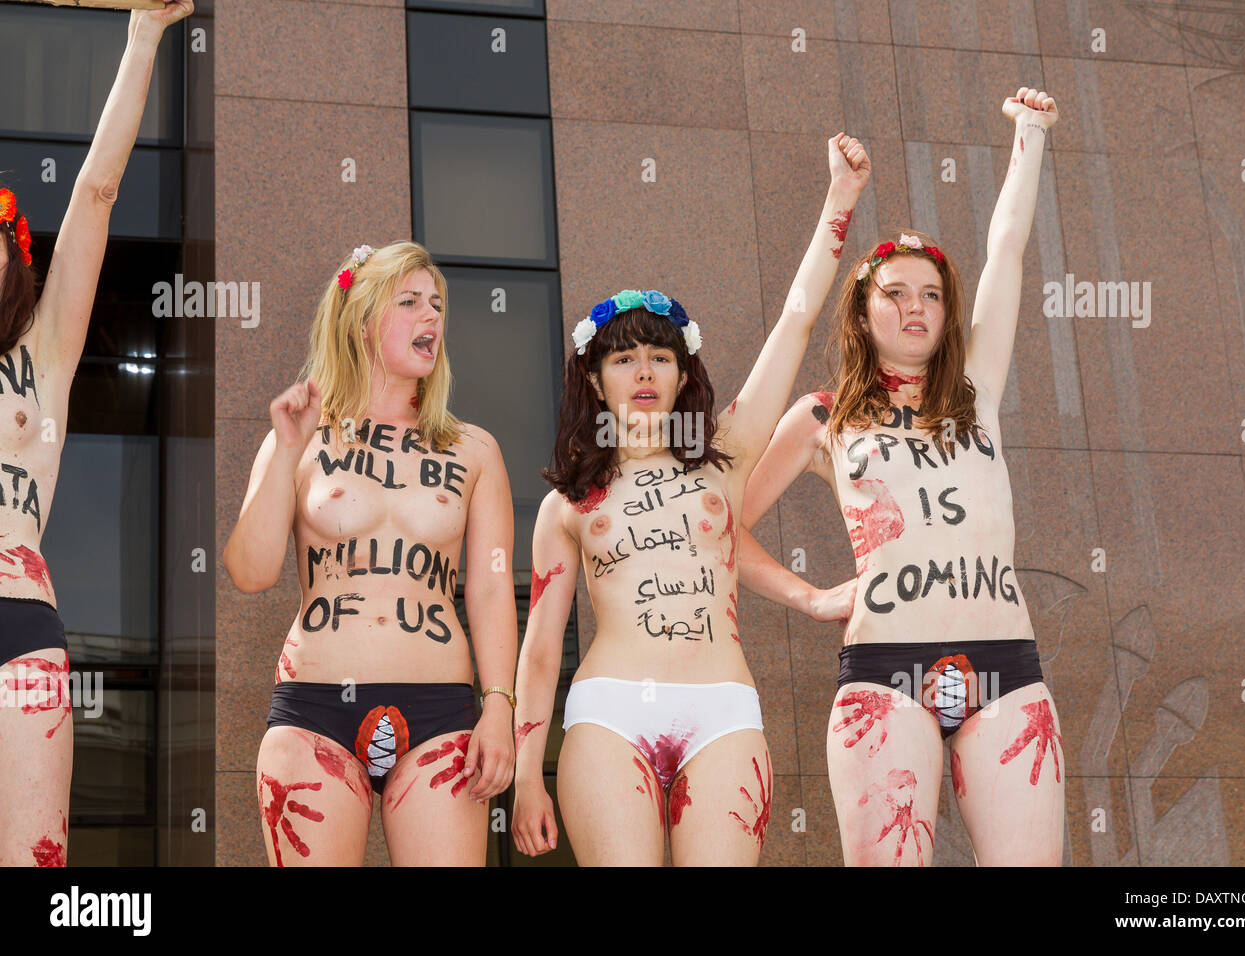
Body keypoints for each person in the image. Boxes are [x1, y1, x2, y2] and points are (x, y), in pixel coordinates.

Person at [511, 134, 872, 865]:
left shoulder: (724, 460)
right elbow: (542, 648)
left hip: (724, 715)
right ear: (594, 378)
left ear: (683, 376)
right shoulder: (569, 507)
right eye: (623, 358)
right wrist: (524, 777)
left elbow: (795, 323)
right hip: (608, 717)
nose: (644, 371)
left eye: (661, 356)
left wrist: (839, 200)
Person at [738, 89, 1063, 866]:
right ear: (862, 310)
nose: (916, 307)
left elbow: (1008, 251)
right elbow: (718, 528)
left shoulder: (976, 395)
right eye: (895, 293)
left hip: (1008, 670)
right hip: (886, 674)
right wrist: (811, 596)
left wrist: (1031, 135)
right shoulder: (823, 418)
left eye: (932, 295)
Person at [223, 242, 516, 866]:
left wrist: (499, 708)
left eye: (437, 304)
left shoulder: (473, 450)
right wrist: (283, 451)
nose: (430, 317)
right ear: (360, 321)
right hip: (315, 706)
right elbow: (250, 573)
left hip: (442, 709)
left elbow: (490, 589)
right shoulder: (301, 437)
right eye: (408, 302)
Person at [0, 0, 193, 867]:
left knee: (35, 860)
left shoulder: (42, 353)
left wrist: (143, 36)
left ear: (16, 257)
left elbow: (94, 192)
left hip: (20, 629)